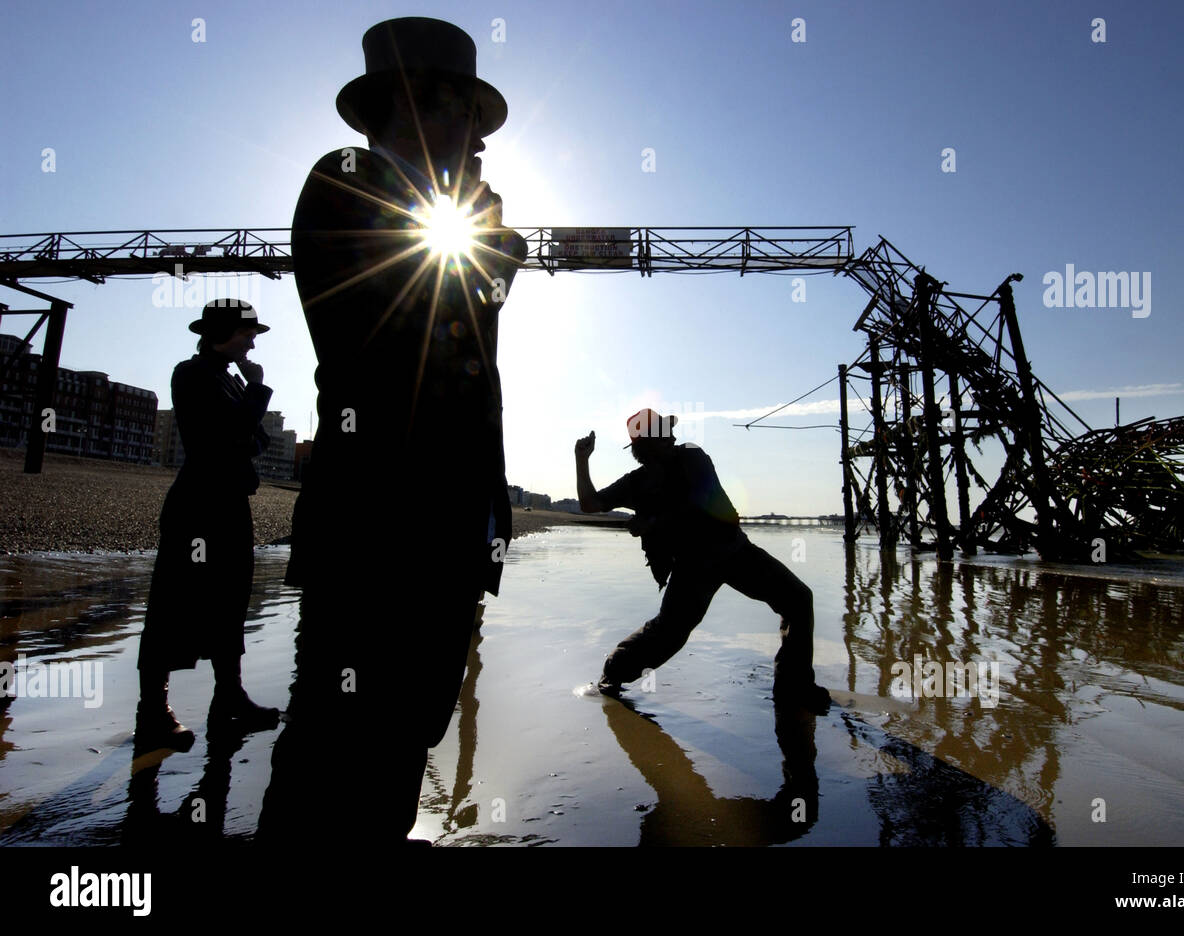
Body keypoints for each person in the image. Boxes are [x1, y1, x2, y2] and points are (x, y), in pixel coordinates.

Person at [259, 17, 527, 844]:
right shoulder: (344, 180)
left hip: (452, 529)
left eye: (474, 125)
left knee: (411, 730)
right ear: (398, 109)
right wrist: (478, 243)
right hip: (374, 521)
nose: (468, 139)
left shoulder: (453, 217)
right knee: (333, 740)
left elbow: (470, 375)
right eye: (453, 112)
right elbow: (382, 332)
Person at [575, 409, 832, 713]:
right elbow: (589, 504)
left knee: (798, 599)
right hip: (693, 567)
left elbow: (701, 502)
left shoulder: (692, 456)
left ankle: (793, 688)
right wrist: (582, 459)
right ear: (648, 444)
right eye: (663, 432)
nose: (672, 435)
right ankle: (612, 673)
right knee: (669, 635)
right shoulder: (636, 483)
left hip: (734, 552)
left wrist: (651, 521)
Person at [136, 299, 280, 751]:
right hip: (198, 506)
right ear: (225, 331)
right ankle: (153, 714)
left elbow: (255, 439)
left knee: (230, 601)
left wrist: (247, 406)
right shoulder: (192, 373)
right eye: (248, 333)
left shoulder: (227, 379)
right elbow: (231, 436)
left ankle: (229, 700)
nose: (254, 341)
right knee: (171, 605)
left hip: (230, 504)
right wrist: (256, 391)